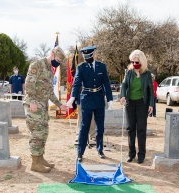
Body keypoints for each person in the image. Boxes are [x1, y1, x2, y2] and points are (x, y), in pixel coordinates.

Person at [24, 45, 67, 173]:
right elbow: (29, 83)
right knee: (37, 133)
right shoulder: (37, 64)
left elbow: (49, 91)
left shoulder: (49, 69)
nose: (57, 63)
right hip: (34, 104)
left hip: (42, 106)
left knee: (43, 132)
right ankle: (35, 162)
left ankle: (40, 158)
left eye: (59, 62)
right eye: (57, 60)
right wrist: (32, 101)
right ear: (52, 55)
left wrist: (59, 104)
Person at [66, 46, 113, 162]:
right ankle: (80, 152)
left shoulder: (101, 66)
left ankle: (100, 149)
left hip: (98, 98)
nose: (88, 59)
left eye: (89, 56)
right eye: (86, 57)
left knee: (100, 127)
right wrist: (72, 97)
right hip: (86, 99)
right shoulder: (81, 67)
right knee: (84, 127)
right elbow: (76, 83)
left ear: (94, 55)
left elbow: (106, 83)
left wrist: (110, 99)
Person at [119, 49, 153, 164]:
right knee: (130, 128)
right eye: (133, 62)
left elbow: (150, 90)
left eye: (137, 62)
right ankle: (131, 153)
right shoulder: (128, 72)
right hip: (130, 103)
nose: (134, 64)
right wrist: (123, 95)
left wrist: (151, 104)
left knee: (141, 129)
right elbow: (124, 84)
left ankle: (141, 154)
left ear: (142, 62)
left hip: (142, 104)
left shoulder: (147, 74)